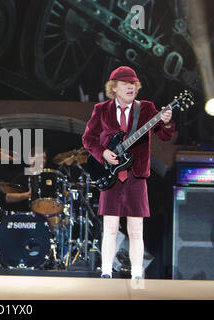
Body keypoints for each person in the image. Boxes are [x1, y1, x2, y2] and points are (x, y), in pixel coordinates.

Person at [82, 66, 174, 279]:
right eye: (125, 84)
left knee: (136, 229)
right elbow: (88, 139)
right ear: (114, 88)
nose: (130, 87)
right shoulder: (101, 109)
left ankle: (136, 273)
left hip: (136, 174)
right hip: (111, 174)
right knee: (111, 227)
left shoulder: (147, 108)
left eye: (133, 84)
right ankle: (106, 271)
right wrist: (103, 153)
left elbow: (165, 136)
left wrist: (167, 123)